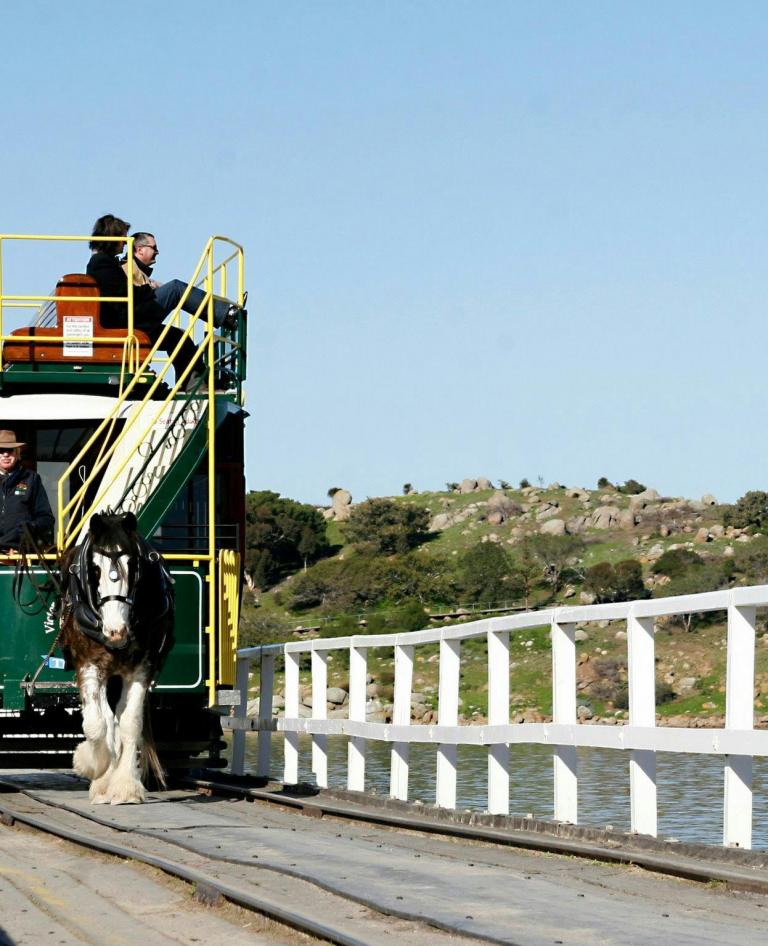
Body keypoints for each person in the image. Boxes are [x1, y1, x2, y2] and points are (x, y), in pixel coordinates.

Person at [86, 214, 244, 391]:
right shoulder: (102, 264)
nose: (125, 242)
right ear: (112, 237)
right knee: (175, 288)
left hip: (130, 317)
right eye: (123, 237)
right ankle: (226, 314)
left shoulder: (106, 263)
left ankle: (193, 386)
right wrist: (150, 289)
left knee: (179, 338)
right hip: (129, 321)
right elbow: (124, 295)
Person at [0, 430, 55, 552]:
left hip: (23, 555)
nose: (5, 454)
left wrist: (29, 528)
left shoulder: (32, 479)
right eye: (1, 450)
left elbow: (46, 519)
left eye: (9, 450)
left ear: (17, 453)